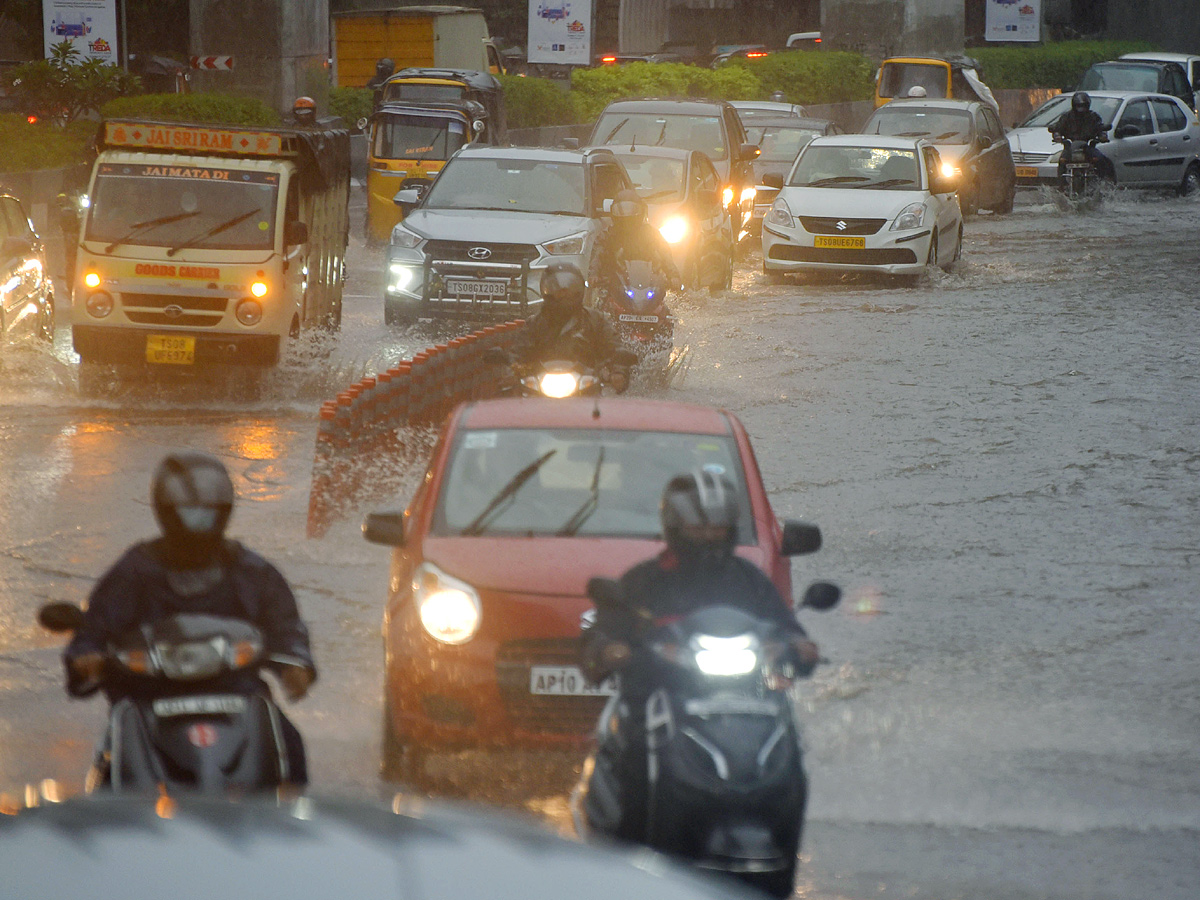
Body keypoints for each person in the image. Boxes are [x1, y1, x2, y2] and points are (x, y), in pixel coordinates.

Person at [580, 469, 819, 840]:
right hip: (658, 706)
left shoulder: (749, 580)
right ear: (675, 528)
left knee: (788, 754)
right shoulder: (644, 581)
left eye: (718, 527)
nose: (709, 536)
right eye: (698, 528)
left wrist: (797, 645)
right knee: (634, 766)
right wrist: (610, 648)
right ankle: (631, 855)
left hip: (743, 706)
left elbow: (782, 624)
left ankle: (780, 840)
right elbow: (606, 629)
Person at [62, 451, 317, 784]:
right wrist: (87, 656)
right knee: (110, 764)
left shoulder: (253, 573)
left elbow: (285, 625)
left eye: (207, 514)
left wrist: (294, 663)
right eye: (188, 513)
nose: (197, 523)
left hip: (237, 693)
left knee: (289, 742)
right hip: (149, 696)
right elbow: (97, 624)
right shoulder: (134, 572)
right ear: (166, 513)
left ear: (224, 513)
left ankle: (290, 827)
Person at [509, 261, 628, 387]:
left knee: (603, 406)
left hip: (586, 389)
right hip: (540, 389)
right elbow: (518, 351)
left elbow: (613, 346)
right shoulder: (535, 323)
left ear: (579, 289)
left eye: (569, 290)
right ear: (546, 290)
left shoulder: (594, 320)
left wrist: (618, 370)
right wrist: (511, 369)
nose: (563, 295)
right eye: (557, 291)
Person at [595, 189, 681, 298]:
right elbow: (597, 255)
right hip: (614, 283)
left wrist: (673, 276)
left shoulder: (651, 233)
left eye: (631, 209)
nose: (627, 216)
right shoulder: (607, 235)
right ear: (613, 212)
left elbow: (665, 254)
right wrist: (594, 275)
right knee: (601, 305)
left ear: (641, 211)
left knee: (662, 308)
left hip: (647, 283)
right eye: (622, 210)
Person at [1048, 91, 1109, 180]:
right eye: (1079, 106)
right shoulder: (1067, 116)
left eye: (1084, 106)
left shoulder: (1093, 117)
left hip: (1087, 146)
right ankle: (1061, 184)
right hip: (1071, 146)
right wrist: (1057, 136)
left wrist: (1103, 136)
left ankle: (1102, 183)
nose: (1081, 109)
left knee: (1100, 159)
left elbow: (1100, 127)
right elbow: (1058, 128)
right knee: (1062, 160)